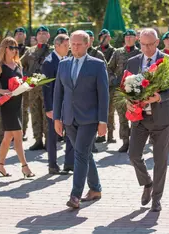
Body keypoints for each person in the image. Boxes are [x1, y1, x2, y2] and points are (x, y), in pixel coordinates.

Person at [53, 30, 109, 209]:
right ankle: (95, 189)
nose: (75, 47)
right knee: (84, 154)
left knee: (80, 154)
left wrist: (103, 121)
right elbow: (58, 93)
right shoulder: (63, 64)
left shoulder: (98, 65)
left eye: (79, 44)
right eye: (73, 44)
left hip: (90, 118)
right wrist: (57, 118)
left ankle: (75, 195)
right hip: (69, 118)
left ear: (87, 45)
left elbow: (104, 95)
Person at [126, 28, 169, 212]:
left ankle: (157, 198)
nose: (147, 48)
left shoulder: (168, 61)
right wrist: (128, 102)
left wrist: (158, 97)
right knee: (133, 155)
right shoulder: (132, 61)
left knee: (160, 161)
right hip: (140, 119)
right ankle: (147, 183)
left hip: (162, 118)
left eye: (150, 44)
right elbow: (127, 88)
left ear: (157, 43)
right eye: (143, 44)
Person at [0, 37, 35, 178]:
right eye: (11, 47)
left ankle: (0, 165)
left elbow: (20, 83)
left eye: (16, 47)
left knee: (8, 137)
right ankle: (25, 167)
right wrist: (3, 91)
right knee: (18, 136)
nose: (15, 50)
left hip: (18, 104)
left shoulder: (18, 65)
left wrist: (27, 86)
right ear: (4, 49)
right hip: (8, 105)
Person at [42, 34, 73, 175]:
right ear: (57, 46)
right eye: (66, 46)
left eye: (69, 45)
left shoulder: (67, 59)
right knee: (53, 135)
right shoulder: (49, 62)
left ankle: (69, 164)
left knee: (70, 133)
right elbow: (47, 87)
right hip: (54, 106)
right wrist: (49, 108)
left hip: (68, 104)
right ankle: (53, 165)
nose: (69, 48)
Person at [107, 29, 141, 152]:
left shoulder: (140, 53)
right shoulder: (118, 52)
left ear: (136, 38)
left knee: (135, 117)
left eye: (131, 36)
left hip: (135, 90)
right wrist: (113, 79)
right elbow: (109, 68)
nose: (128, 38)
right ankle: (125, 142)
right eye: (126, 36)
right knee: (122, 117)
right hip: (120, 90)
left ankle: (135, 143)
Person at [21, 26, 50, 150]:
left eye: (44, 33)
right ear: (36, 37)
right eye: (40, 33)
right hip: (33, 88)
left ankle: (49, 140)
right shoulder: (30, 51)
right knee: (35, 113)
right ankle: (38, 139)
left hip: (47, 87)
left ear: (48, 36)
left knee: (47, 114)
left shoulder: (53, 50)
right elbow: (20, 64)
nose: (42, 35)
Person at [14, 27, 30, 141]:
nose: (19, 35)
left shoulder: (29, 50)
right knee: (13, 108)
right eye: (17, 34)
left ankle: (22, 132)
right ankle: (14, 131)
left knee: (23, 109)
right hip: (12, 83)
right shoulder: (10, 49)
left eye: (21, 33)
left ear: (25, 36)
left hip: (25, 83)